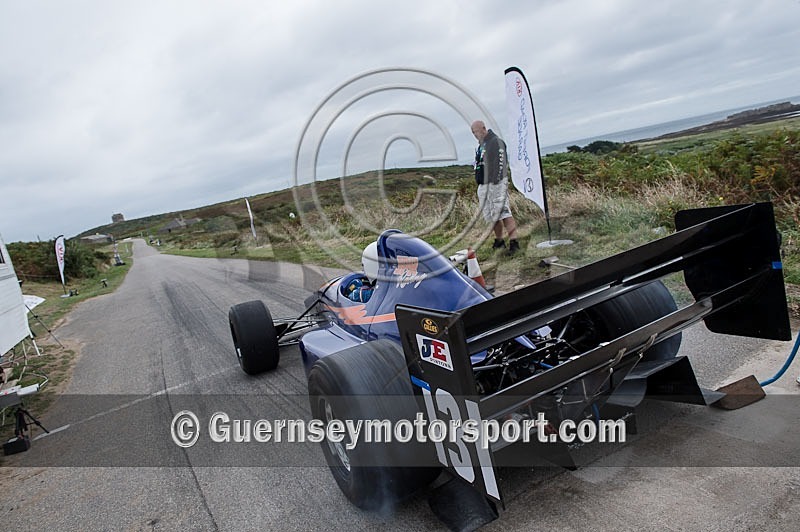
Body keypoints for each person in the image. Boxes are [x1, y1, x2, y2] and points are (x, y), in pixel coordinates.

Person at [471, 120, 520, 254]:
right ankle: (499, 241)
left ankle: (514, 242)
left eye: (476, 132)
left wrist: (495, 181)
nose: (475, 135)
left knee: (503, 212)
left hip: (495, 184)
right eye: (473, 133)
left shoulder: (495, 142)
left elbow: (501, 163)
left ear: (483, 128)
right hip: (483, 185)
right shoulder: (481, 145)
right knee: (492, 216)